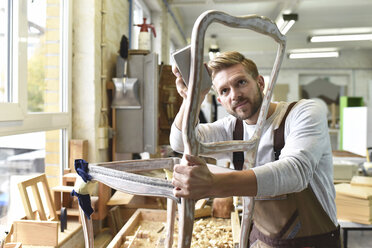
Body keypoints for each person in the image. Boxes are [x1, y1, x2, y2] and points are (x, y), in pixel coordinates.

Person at [169, 51, 340, 247]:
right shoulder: (232, 127)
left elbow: (295, 172)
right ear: (220, 101)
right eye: (224, 91)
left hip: (313, 242)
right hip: (261, 240)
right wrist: (192, 99)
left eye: (241, 82)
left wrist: (213, 184)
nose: (235, 95)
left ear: (260, 82)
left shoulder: (303, 113)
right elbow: (180, 142)